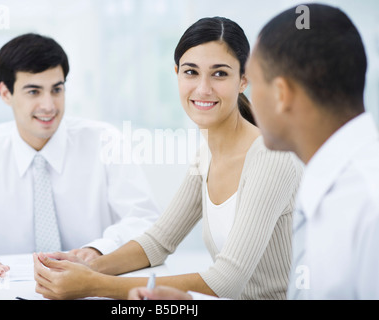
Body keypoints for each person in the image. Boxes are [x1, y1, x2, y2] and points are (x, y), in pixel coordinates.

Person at [33, 17, 303, 300]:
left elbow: (226, 280)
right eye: (191, 72)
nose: (203, 88)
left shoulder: (272, 158)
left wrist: (93, 284)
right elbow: (159, 240)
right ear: (176, 74)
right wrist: (89, 267)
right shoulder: (207, 154)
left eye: (220, 74)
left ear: (243, 79)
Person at [130, 3, 379, 300]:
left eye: (252, 81)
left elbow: (229, 279)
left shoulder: (366, 201)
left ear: (281, 94)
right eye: (191, 73)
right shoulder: (331, 183)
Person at [0, 33, 160, 285]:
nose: (49, 105)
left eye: (57, 89)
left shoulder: (106, 142)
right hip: (4, 289)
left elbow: (145, 221)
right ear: (5, 93)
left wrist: (98, 252)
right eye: (33, 91)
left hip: (93, 285)